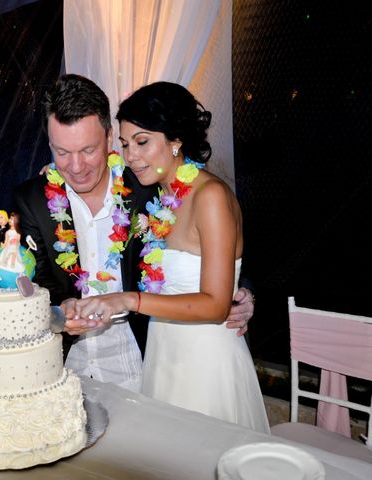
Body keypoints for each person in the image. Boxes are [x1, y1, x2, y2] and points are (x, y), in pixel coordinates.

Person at [13, 74, 255, 393]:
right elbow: (27, 281)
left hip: (141, 363)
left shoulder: (147, 189)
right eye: (62, 152)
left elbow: (208, 250)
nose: (75, 166)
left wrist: (243, 292)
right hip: (63, 367)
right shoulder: (32, 199)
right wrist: (60, 310)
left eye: (87, 150)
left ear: (109, 138)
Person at [64, 81, 269, 432]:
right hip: (162, 356)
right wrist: (53, 172)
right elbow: (93, 169)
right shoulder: (157, 198)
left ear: (175, 140)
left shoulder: (211, 196)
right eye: (126, 145)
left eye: (142, 142)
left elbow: (217, 305)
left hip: (205, 366)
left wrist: (128, 299)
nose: (131, 156)